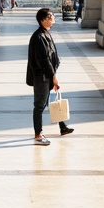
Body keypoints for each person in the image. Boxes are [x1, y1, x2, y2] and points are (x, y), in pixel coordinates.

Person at [26, 7, 74, 144]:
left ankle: (62, 126)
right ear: (42, 20)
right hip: (42, 77)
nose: (53, 19)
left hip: (46, 75)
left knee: (47, 102)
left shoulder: (45, 33)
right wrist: (53, 76)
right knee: (40, 105)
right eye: (50, 17)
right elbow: (44, 60)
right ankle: (38, 134)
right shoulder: (39, 37)